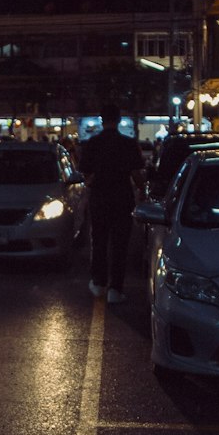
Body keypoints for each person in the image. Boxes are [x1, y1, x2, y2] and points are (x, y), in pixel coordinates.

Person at [79, 104, 145, 304]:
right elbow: (137, 175)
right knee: (120, 245)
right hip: (122, 198)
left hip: (99, 199)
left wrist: (95, 180)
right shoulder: (128, 144)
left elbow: (86, 175)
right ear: (118, 120)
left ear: (101, 120)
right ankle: (115, 289)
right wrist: (143, 192)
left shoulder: (92, 143)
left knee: (98, 242)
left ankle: (99, 283)